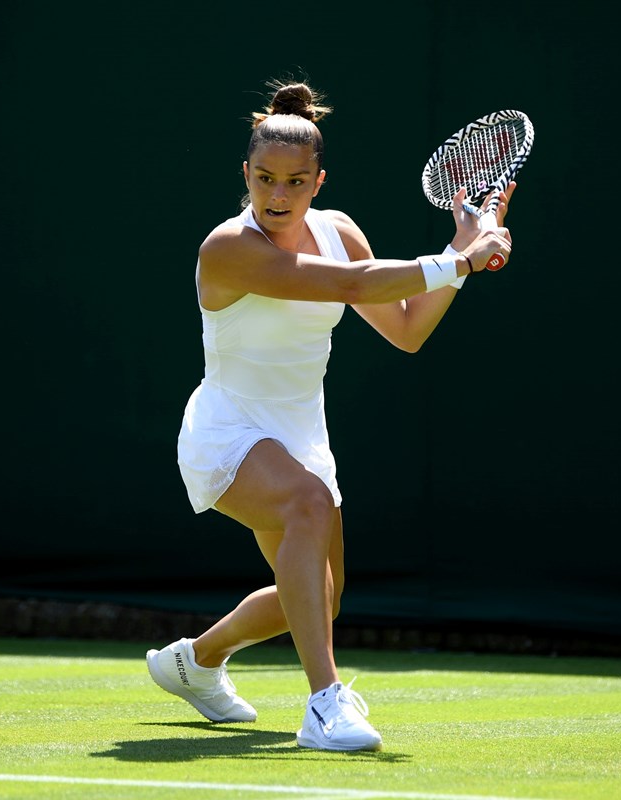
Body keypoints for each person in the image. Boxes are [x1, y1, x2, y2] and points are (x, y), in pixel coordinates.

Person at [146, 78, 515, 752]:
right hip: (228, 430)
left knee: (319, 598)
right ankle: (324, 705)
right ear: (246, 175)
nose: (277, 196)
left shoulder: (339, 230)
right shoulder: (227, 248)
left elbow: (406, 329)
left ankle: (194, 661)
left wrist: (460, 263)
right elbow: (349, 285)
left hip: (300, 434)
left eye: (294, 181)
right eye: (264, 179)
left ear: (319, 181)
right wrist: (460, 253)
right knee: (308, 506)